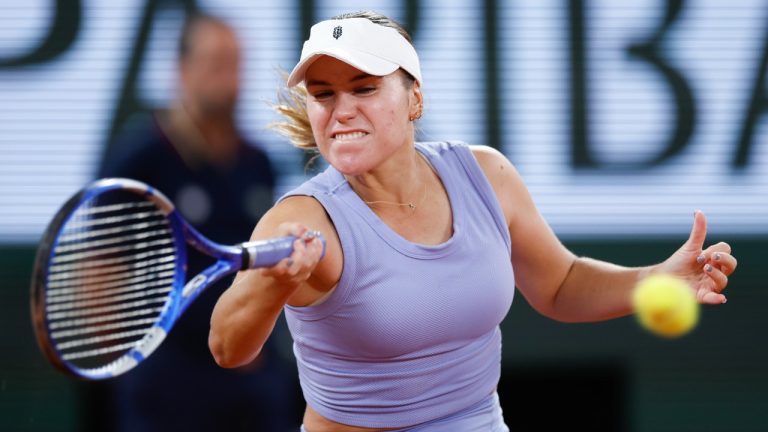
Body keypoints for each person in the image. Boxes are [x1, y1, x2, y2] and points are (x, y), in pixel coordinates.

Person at [208, 10, 738, 432]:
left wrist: (653, 279)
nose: (340, 109)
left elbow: (560, 284)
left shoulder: (486, 174)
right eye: (324, 95)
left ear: (414, 97)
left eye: (364, 88)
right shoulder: (302, 220)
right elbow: (229, 348)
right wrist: (272, 285)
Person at [97, 13, 300, 432]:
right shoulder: (138, 160)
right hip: (166, 392)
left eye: (235, 63)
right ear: (182, 70)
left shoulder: (258, 163)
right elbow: (100, 275)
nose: (228, 77)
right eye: (215, 63)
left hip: (254, 388)